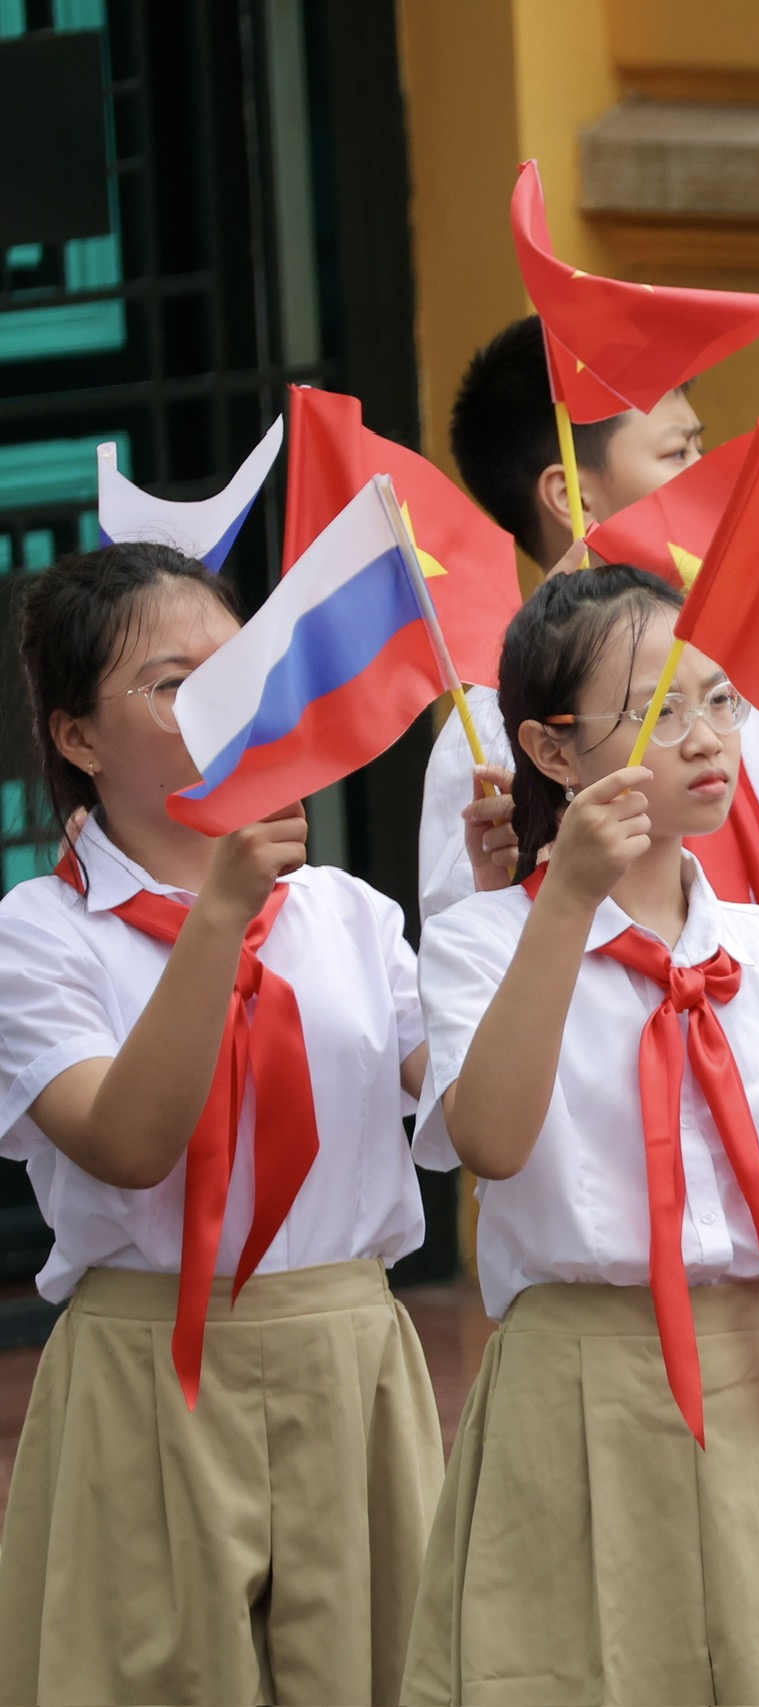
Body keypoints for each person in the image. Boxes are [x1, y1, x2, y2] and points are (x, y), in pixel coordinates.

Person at [404, 569, 759, 1706]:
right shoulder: (486, 940)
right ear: (550, 744)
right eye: (660, 709)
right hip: (581, 1375)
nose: (704, 738)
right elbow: (488, 1139)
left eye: (722, 703)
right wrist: (566, 900)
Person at [0, 543, 442, 1705]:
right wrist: (219, 921)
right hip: (149, 1365)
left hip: (347, 1351)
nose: (219, 702)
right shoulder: (39, 933)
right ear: (77, 738)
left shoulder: (345, 911)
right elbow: (126, 1140)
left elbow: (469, 1100)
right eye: (170, 680)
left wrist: (518, 908)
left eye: (234, 667)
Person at [425, 314, 759, 925]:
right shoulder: (497, 727)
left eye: (700, 446)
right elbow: (473, 972)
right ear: (569, 497)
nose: (713, 476)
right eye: (678, 453)